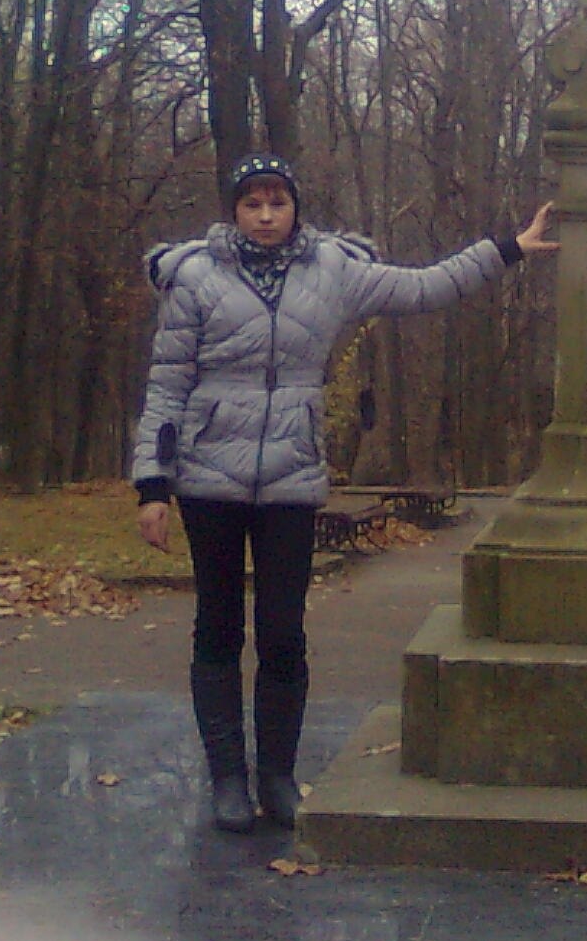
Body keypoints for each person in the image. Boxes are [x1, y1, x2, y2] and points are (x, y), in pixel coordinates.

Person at [132, 153, 558, 833]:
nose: (266, 216)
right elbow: (167, 386)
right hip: (208, 480)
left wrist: (507, 249)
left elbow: (425, 287)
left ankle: (277, 777)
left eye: (277, 202)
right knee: (217, 627)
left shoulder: (332, 270)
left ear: (295, 208)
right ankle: (228, 780)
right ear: (234, 211)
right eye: (252, 204)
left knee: (282, 632)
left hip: (292, 478)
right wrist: (153, 485)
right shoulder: (195, 277)